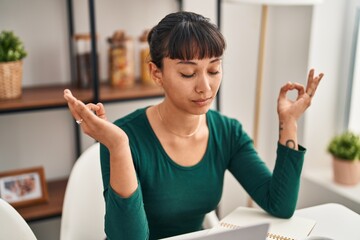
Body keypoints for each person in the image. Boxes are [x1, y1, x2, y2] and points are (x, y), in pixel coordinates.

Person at [64, 11, 324, 240]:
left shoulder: (228, 132)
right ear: (157, 73)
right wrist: (118, 146)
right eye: (188, 74)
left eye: (213, 70)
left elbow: (279, 204)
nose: (205, 87)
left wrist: (288, 123)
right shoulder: (123, 135)